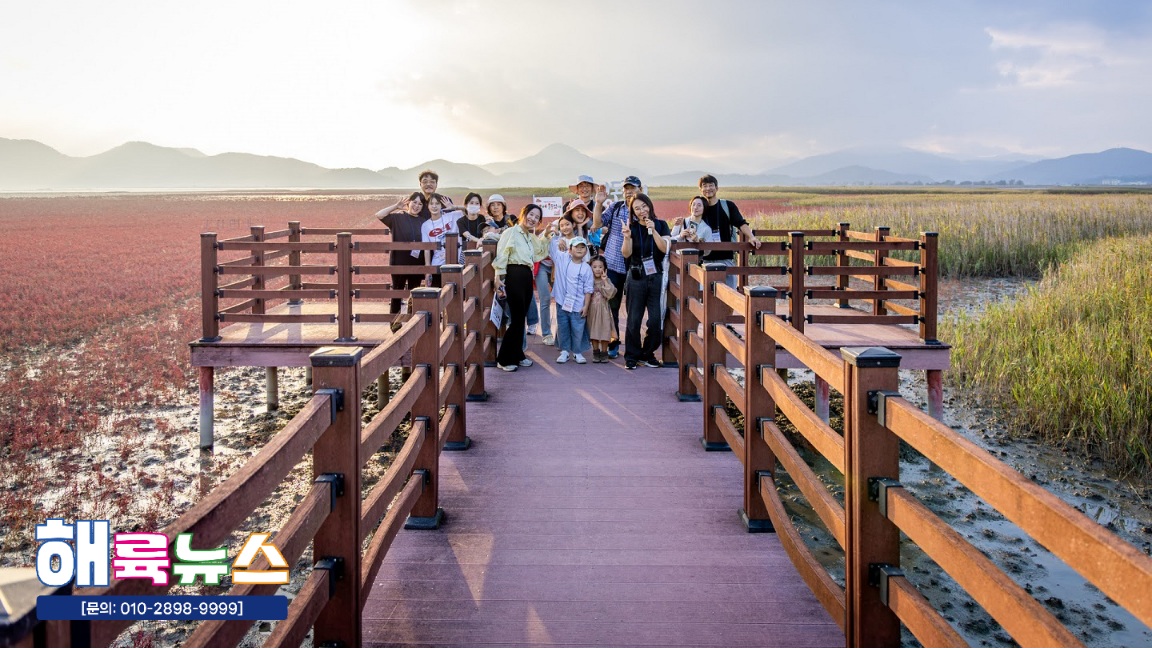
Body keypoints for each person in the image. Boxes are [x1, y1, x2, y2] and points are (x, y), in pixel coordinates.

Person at [591, 175, 644, 359]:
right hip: (613, 265)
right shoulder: (615, 207)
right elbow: (597, 224)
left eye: (632, 188)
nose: (629, 192)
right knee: (611, 307)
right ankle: (613, 342)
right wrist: (599, 203)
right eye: (626, 188)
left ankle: (633, 347)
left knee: (633, 309)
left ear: (640, 190)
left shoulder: (643, 210)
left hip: (634, 267)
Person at [492, 204, 550, 372]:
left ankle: (518, 354)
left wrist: (546, 235)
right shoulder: (511, 232)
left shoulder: (529, 237)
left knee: (521, 318)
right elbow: (502, 254)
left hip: (526, 276)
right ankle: (504, 358)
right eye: (531, 214)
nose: (533, 219)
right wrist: (498, 277)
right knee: (516, 319)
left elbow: (539, 253)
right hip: (514, 274)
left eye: (537, 217)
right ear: (523, 214)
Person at [620, 193, 671, 370]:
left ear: (649, 206)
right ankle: (632, 356)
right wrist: (627, 237)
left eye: (643, 206)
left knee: (656, 320)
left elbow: (664, 249)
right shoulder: (631, 228)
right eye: (637, 208)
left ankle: (647, 353)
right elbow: (626, 253)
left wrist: (654, 230)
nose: (641, 211)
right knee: (634, 319)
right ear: (633, 212)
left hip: (656, 276)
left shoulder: (661, 225)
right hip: (636, 276)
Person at [697, 174, 760, 289]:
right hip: (705, 261)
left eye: (711, 185)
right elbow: (691, 225)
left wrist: (751, 237)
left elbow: (741, 223)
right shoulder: (699, 208)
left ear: (717, 188)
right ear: (700, 189)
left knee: (729, 294)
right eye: (704, 186)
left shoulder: (727, 206)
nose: (708, 188)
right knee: (706, 295)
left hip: (725, 259)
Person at [376, 192, 429, 315]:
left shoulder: (423, 222)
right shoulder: (397, 218)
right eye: (414, 202)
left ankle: (412, 320)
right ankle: (395, 322)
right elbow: (379, 215)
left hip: (417, 263)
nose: (416, 206)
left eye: (420, 204)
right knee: (397, 292)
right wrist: (396, 206)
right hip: (399, 261)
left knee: (414, 293)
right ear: (408, 203)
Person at [548, 235, 594, 364]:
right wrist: (556, 239)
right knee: (563, 327)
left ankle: (577, 352)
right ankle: (565, 351)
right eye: (576, 247)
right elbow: (552, 248)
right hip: (562, 302)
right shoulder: (562, 259)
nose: (579, 249)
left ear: (586, 251)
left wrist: (586, 306)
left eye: (582, 247)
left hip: (578, 304)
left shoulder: (586, 268)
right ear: (570, 249)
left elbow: (588, 289)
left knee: (578, 328)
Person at [421, 193, 463, 288]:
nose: (434, 206)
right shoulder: (425, 225)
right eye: (431, 203)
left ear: (441, 205)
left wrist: (454, 207)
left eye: (437, 203)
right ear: (427, 206)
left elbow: (469, 211)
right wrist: (428, 271)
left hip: (454, 263)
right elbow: (426, 249)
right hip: (437, 264)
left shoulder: (452, 216)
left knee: (455, 293)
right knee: (437, 292)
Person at [586, 256, 617, 363]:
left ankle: (604, 352)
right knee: (593, 331)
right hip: (592, 310)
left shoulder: (607, 280)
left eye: (600, 267)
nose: (598, 269)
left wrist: (605, 281)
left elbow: (610, 293)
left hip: (604, 311)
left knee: (605, 330)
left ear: (605, 268)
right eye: (594, 267)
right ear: (590, 268)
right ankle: (596, 352)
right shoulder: (589, 280)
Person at [457, 192, 487, 262]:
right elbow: (467, 235)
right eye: (471, 203)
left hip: (480, 251)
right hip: (467, 253)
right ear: (466, 205)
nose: (474, 205)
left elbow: (485, 232)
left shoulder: (482, 218)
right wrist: (479, 240)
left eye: (477, 203)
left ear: (480, 206)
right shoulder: (460, 221)